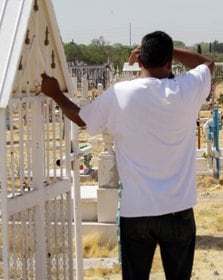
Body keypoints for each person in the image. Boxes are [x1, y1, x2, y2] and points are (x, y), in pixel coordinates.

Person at [41, 30, 214, 280]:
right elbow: (207, 64)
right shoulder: (186, 90)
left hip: (137, 212)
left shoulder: (119, 94)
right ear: (169, 63)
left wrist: (56, 94)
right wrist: (171, 52)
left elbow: (81, 119)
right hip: (178, 210)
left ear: (140, 61)